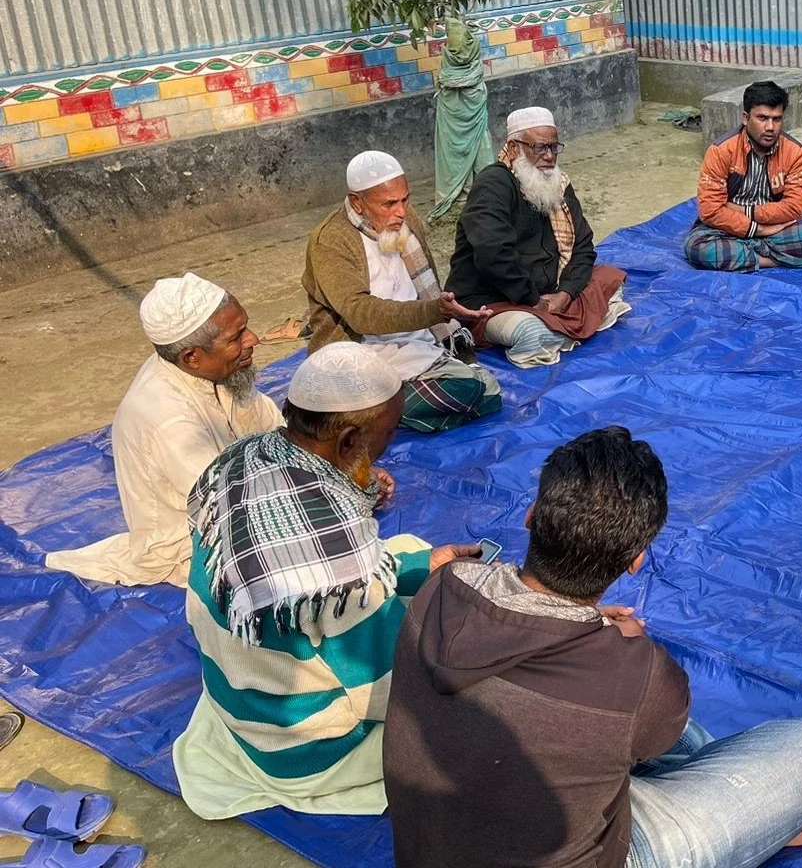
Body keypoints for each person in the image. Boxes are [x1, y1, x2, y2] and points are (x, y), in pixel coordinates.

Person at [384, 426, 802, 868]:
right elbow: (655, 736)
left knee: (650, 731)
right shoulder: (636, 671)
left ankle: (750, 812)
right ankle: (775, 821)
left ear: (531, 517)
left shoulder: (440, 588)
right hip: (603, 853)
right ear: (636, 561)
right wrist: (613, 647)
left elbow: (523, 622)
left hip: (434, 848)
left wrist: (588, 632)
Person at [172, 343, 480, 819]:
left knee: (404, 553)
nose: (390, 444)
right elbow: (384, 686)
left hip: (236, 697)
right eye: (390, 432)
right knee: (479, 719)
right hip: (300, 751)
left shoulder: (238, 458)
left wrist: (422, 568)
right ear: (350, 439)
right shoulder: (343, 565)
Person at [46, 274, 283, 587]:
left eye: (245, 328)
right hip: (195, 547)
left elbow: (277, 433)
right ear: (192, 357)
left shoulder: (210, 369)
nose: (253, 339)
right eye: (236, 337)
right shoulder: (169, 421)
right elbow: (231, 510)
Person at [302, 150, 502, 433]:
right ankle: (369, 413)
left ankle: (377, 417)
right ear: (358, 203)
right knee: (470, 391)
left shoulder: (408, 222)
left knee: (489, 392)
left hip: (417, 345)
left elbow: (427, 284)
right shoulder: (331, 241)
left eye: (405, 199)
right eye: (389, 203)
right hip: (360, 356)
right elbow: (360, 314)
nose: (402, 211)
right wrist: (435, 311)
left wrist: (438, 312)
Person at [446, 106, 630, 367]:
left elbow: (583, 246)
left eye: (554, 148)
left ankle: (559, 326)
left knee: (611, 279)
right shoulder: (494, 184)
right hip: (496, 300)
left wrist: (566, 293)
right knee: (531, 332)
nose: (549, 156)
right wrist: (533, 301)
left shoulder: (558, 183)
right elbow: (493, 255)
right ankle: (556, 328)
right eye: (539, 148)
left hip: (551, 294)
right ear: (513, 148)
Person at [684, 81, 802, 272]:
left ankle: (745, 256)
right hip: (730, 228)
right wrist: (757, 230)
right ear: (745, 118)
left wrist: (747, 212)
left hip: (775, 227)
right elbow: (710, 211)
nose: (770, 127)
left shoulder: (794, 151)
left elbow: (794, 209)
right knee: (696, 247)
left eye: (776, 119)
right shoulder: (721, 151)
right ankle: (772, 260)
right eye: (762, 118)